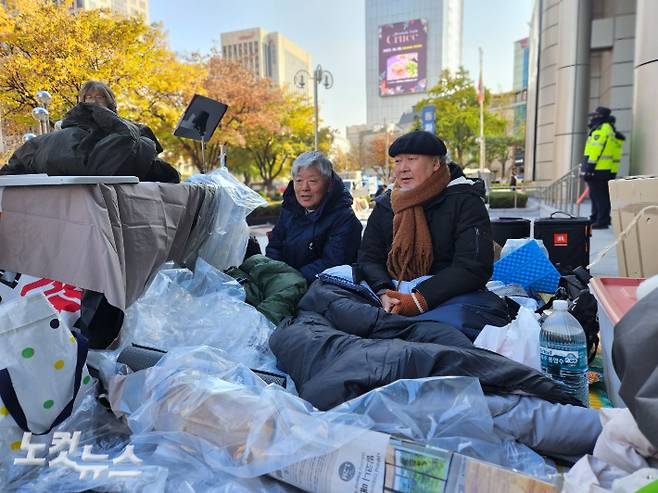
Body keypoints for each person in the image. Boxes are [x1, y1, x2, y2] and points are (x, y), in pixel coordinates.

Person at [358, 130, 504, 338]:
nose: (403, 169)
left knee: (448, 331)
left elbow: (473, 267)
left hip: (446, 297)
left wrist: (419, 300)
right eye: (398, 161)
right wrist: (383, 291)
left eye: (412, 159)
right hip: (392, 293)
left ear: (436, 164)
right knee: (327, 293)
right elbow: (368, 258)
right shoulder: (387, 204)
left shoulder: (464, 201)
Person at [1, 80, 180, 183]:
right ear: (82, 101)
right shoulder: (67, 133)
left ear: (109, 101)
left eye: (99, 97)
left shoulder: (129, 129)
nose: (93, 101)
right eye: (88, 98)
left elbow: (131, 144)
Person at [266, 151, 363, 285]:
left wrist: (291, 279)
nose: (304, 188)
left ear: (328, 184)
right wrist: (275, 274)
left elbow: (332, 263)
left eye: (312, 181)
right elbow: (274, 246)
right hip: (283, 283)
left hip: (319, 291)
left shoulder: (345, 219)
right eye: (299, 181)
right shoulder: (289, 209)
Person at [581, 106, 620, 229]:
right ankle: (599, 218)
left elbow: (595, 151)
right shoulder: (609, 128)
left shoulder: (601, 129)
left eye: (595, 115)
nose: (593, 118)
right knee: (599, 195)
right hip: (606, 169)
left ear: (599, 116)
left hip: (599, 169)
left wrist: (589, 168)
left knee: (599, 196)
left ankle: (601, 220)